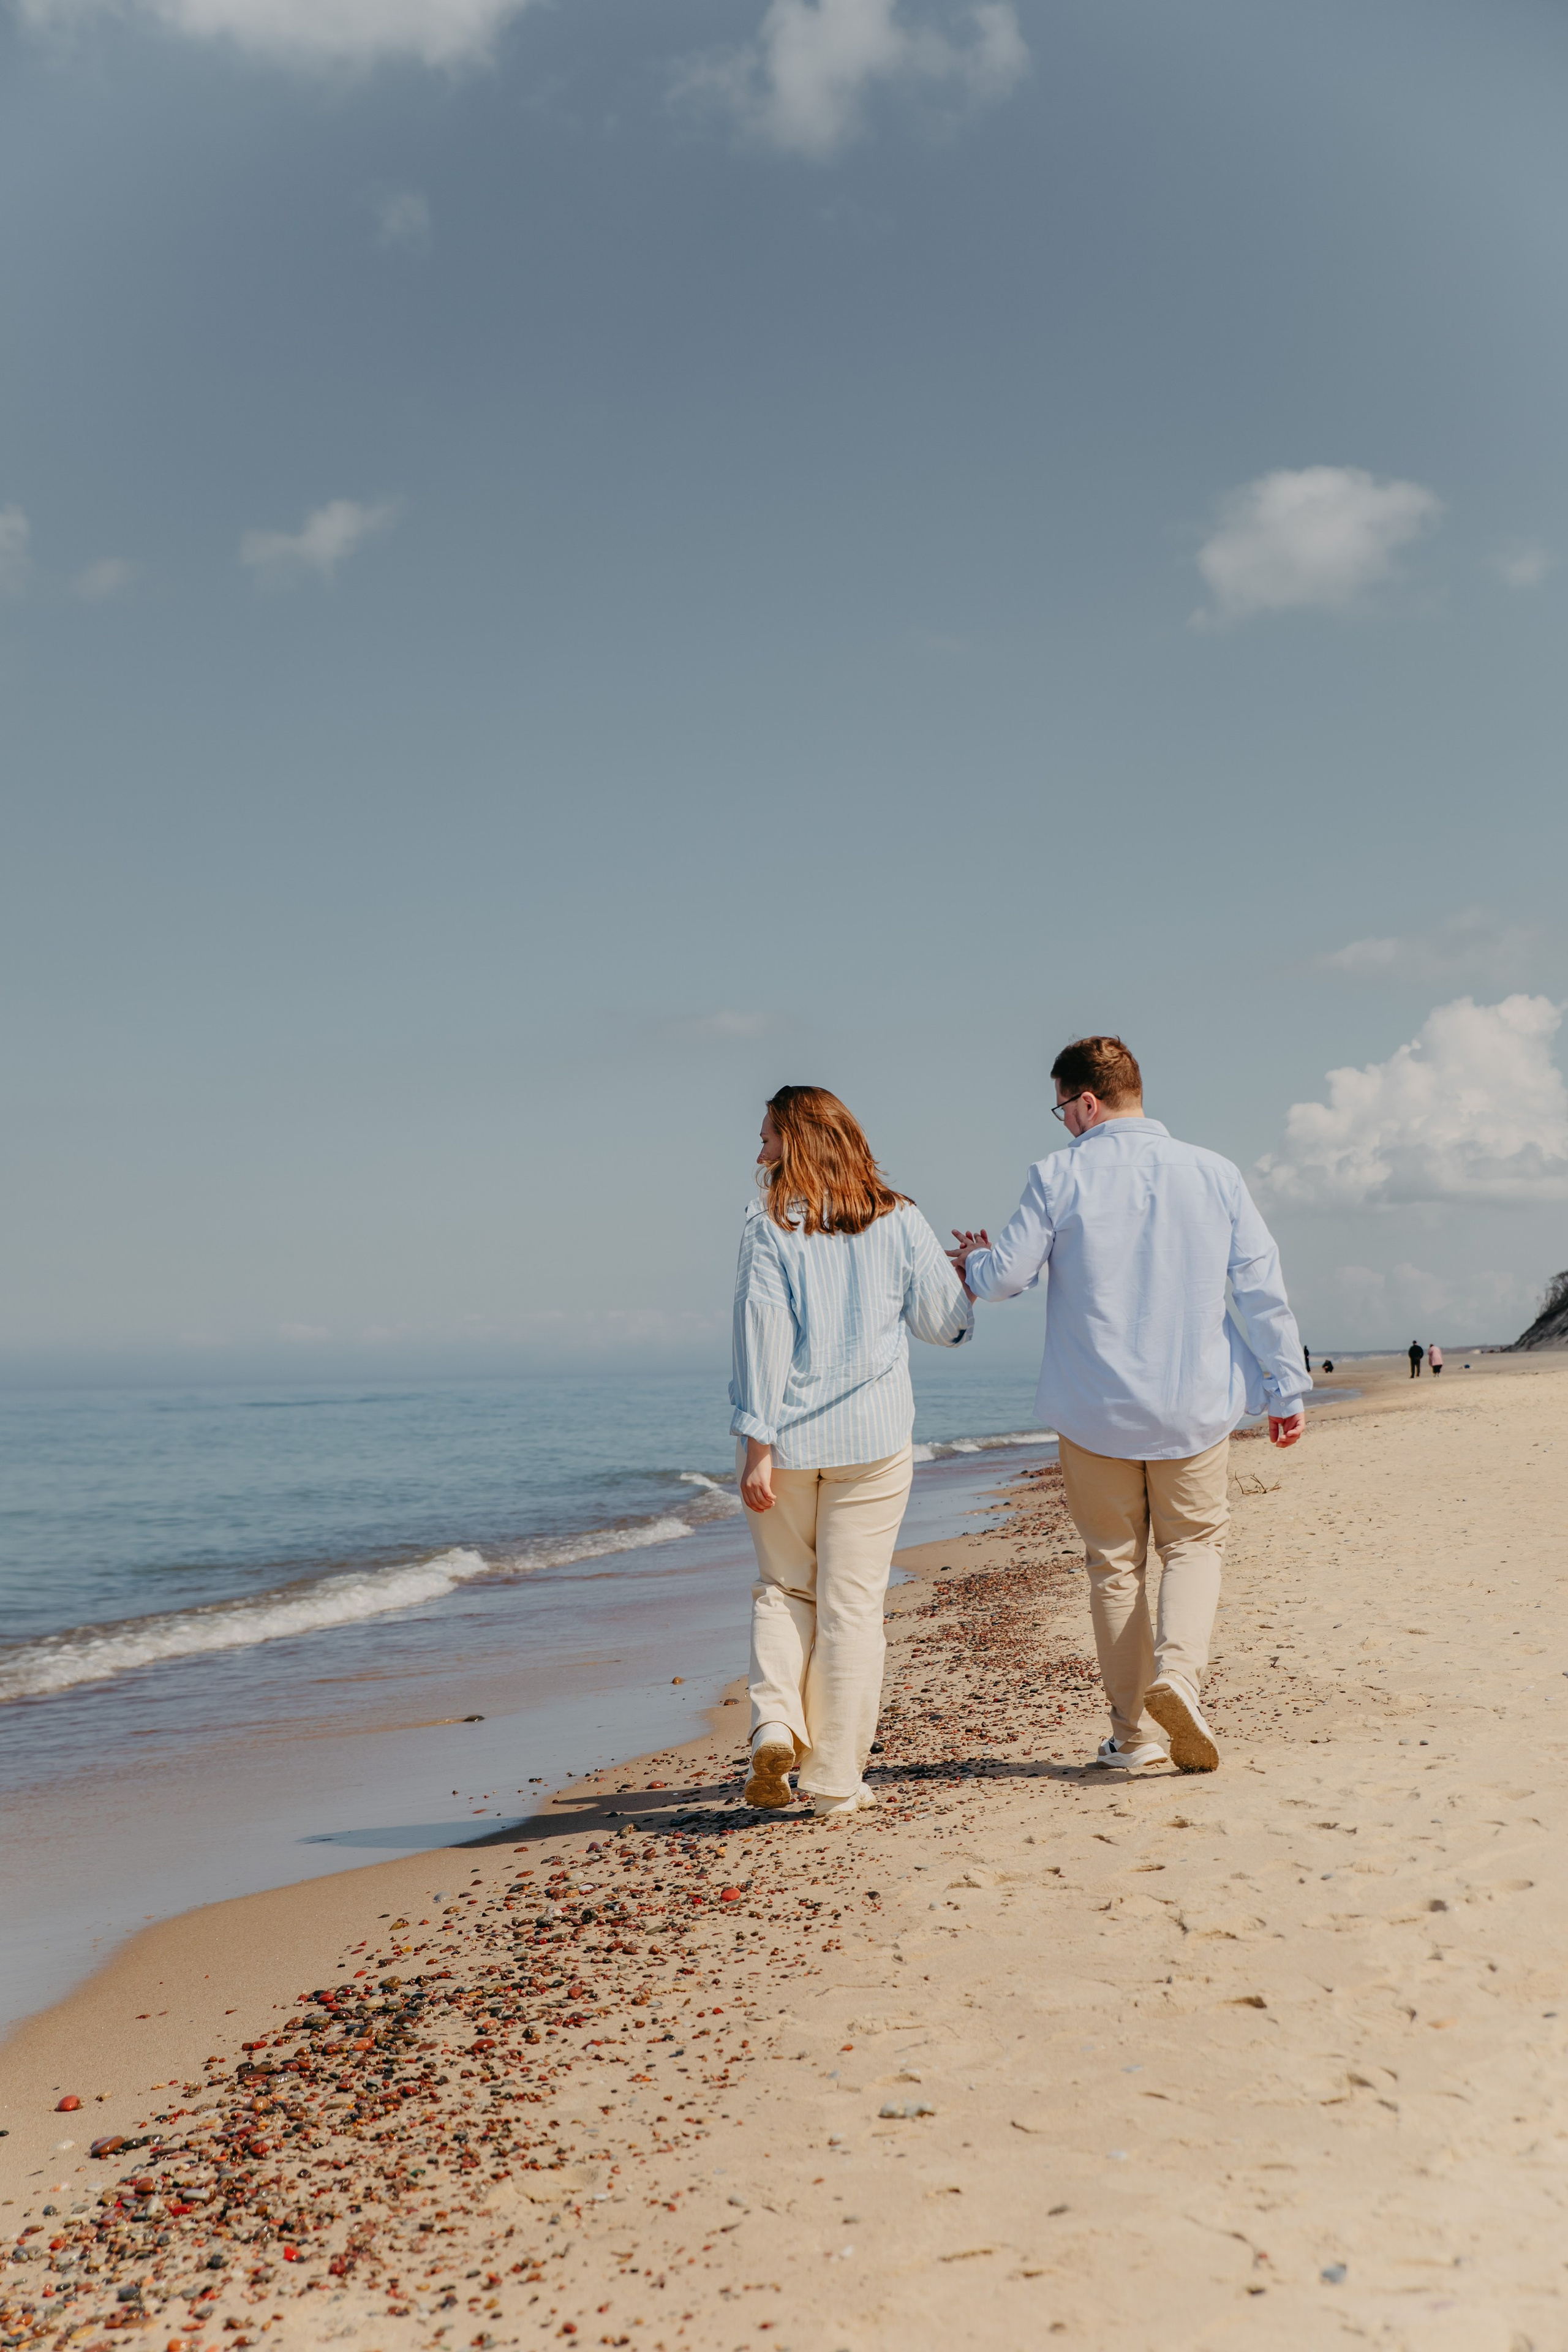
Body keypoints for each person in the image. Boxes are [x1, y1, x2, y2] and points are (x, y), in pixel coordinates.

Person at [949, 1036, 1309, 1776]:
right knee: (1193, 1547)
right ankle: (1178, 1676)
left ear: (1087, 1100)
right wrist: (1285, 1386)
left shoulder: (1058, 1176)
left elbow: (1002, 1280)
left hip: (1095, 1409)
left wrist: (973, 1262)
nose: (1063, 1125)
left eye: (1062, 1109)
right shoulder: (1214, 1173)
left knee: (1113, 1568)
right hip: (1194, 1403)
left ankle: (1133, 1737)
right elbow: (1259, 1287)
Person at [731, 1085, 973, 1817]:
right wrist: (964, 1278)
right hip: (872, 1441)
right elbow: (944, 1326)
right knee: (852, 1608)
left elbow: (761, 1335)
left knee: (784, 1589)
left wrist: (756, 1443)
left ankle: (776, 1724)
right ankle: (835, 1779)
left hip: (790, 1441)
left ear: (799, 1142)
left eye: (769, 1137)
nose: (760, 1151)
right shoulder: (901, 1219)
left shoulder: (767, 1224)